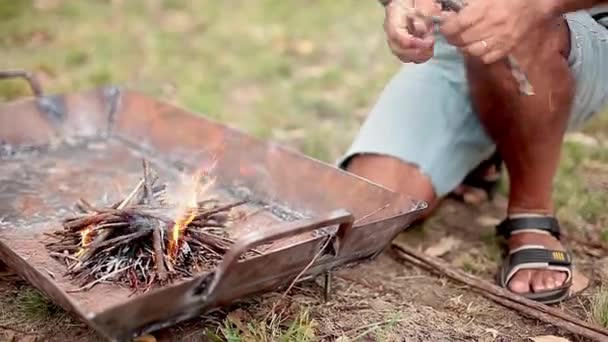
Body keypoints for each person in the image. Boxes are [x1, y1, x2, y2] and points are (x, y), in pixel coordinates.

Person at [338, 0, 608, 304]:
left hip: (571, 34)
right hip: (458, 44)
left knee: (505, 26)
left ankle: (532, 211)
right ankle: (494, 139)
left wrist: (533, 7)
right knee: (373, 205)